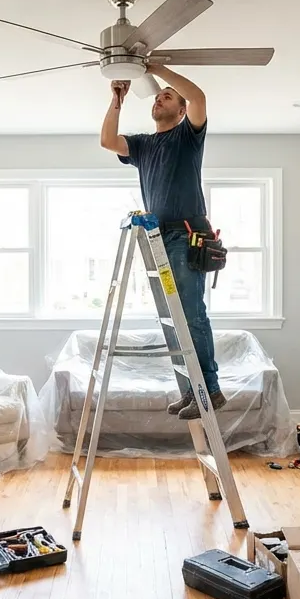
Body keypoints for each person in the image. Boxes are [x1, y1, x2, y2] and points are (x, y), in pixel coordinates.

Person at [99, 65, 224, 421]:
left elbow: (199, 97)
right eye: (157, 95)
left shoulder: (188, 137)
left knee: (191, 313)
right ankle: (190, 392)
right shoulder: (143, 145)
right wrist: (117, 100)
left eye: (167, 96)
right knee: (171, 316)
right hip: (156, 237)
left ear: (181, 111)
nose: (159, 97)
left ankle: (210, 391)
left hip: (186, 235)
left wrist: (154, 67)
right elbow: (108, 140)